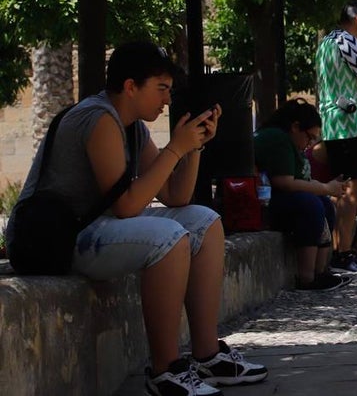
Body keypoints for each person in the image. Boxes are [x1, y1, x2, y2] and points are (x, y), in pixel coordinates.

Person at [3, 42, 267, 396]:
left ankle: (207, 356)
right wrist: (175, 148)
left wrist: (194, 147)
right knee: (169, 238)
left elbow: (176, 196)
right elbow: (127, 206)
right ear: (130, 86)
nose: (167, 101)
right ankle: (165, 371)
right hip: (61, 238)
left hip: (94, 230)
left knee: (204, 221)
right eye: (161, 89)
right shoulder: (97, 119)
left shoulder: (132, 127)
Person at [252, 98, 351, 290]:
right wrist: (325, 188)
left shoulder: (290, 142)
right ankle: (307, 277)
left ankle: (321, 271)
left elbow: (303, 181)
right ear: (296, 127)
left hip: (279, 198)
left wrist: (329, 188)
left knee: (324, 204)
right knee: (311, 205)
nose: (311, 143)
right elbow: (285, 182)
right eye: (310, 137)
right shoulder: (277, 139)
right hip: (266, 202)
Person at [315, 0, 357, 272]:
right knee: (350, 193)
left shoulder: (326, 42)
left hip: (333, 124)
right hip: (350, 125)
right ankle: (343, 254)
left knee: (343, 191)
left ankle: (340, 251)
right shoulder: (348, 42)